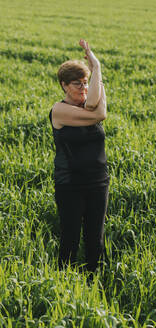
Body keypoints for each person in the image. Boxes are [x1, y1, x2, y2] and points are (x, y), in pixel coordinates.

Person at [49, 39, 109, 272]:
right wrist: (97, 71)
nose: (84, 89)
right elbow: (100, 112)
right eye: (77, 84)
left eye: (86, 83)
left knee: (96, 239)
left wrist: (96, 68)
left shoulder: (88, 105)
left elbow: (95, 103)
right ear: (64, 85)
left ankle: (95, 285)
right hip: (70, 184)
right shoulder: (59, 111)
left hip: (98, 181)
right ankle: (63, 286)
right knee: (70, 239)